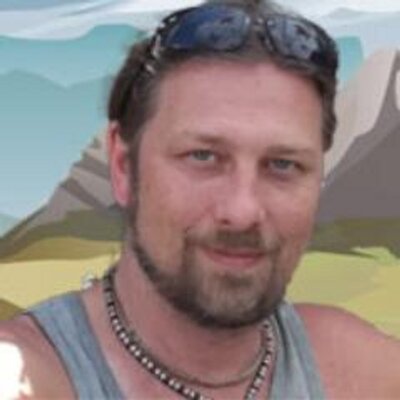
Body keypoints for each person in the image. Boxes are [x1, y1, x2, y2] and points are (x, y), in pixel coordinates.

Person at [1, 0, 400, 398]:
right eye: (203, 157)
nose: (242, 211)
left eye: (282, 164)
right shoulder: (29, 372)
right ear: (123, 167)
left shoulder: (357, 373)